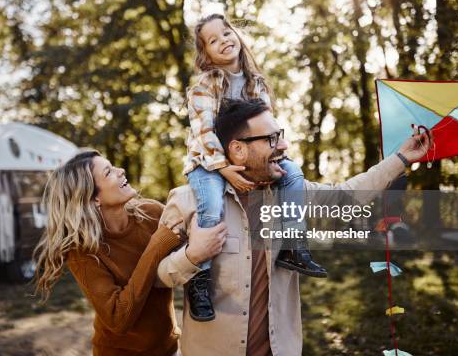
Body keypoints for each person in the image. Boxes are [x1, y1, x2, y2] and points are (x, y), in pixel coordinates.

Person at [156, 98, 431, 356]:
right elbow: (158, 278)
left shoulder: (289, 195)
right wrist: (192, 256)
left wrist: (402, 158)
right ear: (238, 149)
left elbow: (344, 196)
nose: (284, 146)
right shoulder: (187, 201)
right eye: (271, 139)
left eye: (281, 134)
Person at [184, 13, 326, 322]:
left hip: (247, 157)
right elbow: (204, 133)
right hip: (207, 161)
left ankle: (292, 246)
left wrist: (269, 161)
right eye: (213, 40)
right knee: (210, 206)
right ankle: (199, 281)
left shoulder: (256, 82)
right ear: (205, 53)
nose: (223, 40)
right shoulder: (202, 88)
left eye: (226, 33)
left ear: (236, 34)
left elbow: (266, 127)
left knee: (293, 175)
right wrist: (223, 168)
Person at [32, 150, 226, 356]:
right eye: (108, 172)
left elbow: (187, 253)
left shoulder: (152, 213)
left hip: (169, 349)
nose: (121, 170)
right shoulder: (83, 251)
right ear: (93, 198)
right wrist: (156, 246)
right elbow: (117, 318)